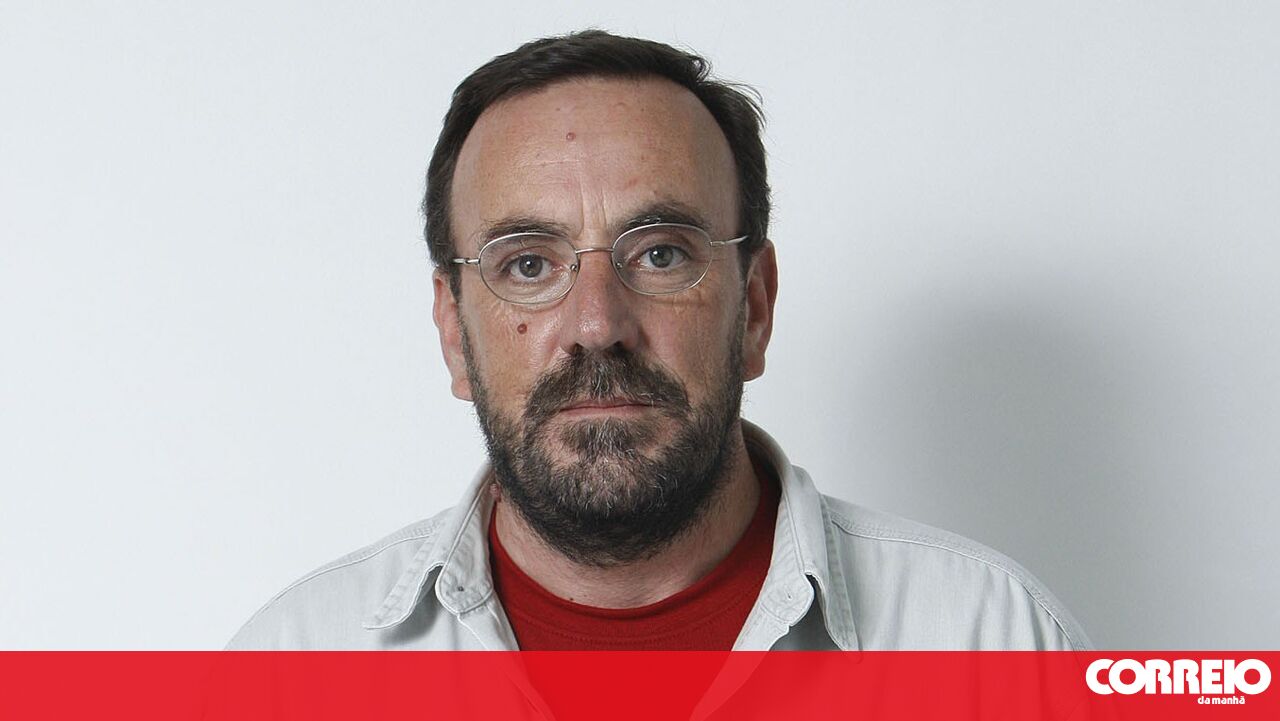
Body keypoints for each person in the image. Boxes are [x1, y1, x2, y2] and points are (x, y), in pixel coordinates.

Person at [227, 30, 1090, 653]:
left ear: (754, 307)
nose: (597, 324)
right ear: (454, 331)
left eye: (662, 254)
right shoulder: (291, 666)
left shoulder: (998, 644)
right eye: (528, 264)